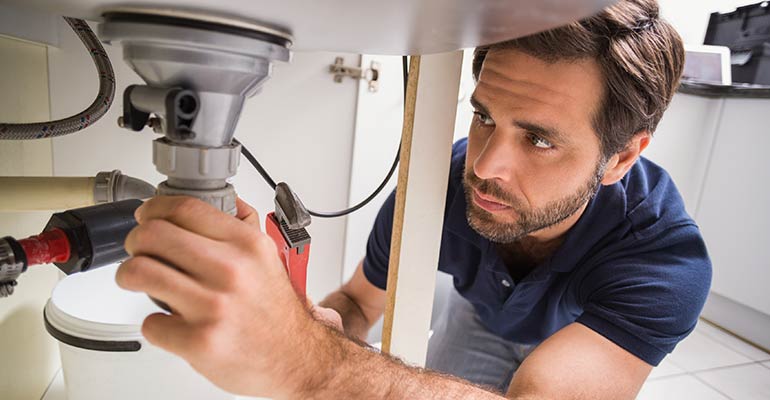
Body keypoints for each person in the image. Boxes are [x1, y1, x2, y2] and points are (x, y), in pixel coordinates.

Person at [115, 0, 711, 398]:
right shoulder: (438, 189)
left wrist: (309, 363)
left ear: (623, 157)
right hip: (478, 314)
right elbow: (355, 300)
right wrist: (312, 324)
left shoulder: (663, 262)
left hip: (583, 331)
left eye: (538, 138)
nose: (484, 166)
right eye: (484, 117)